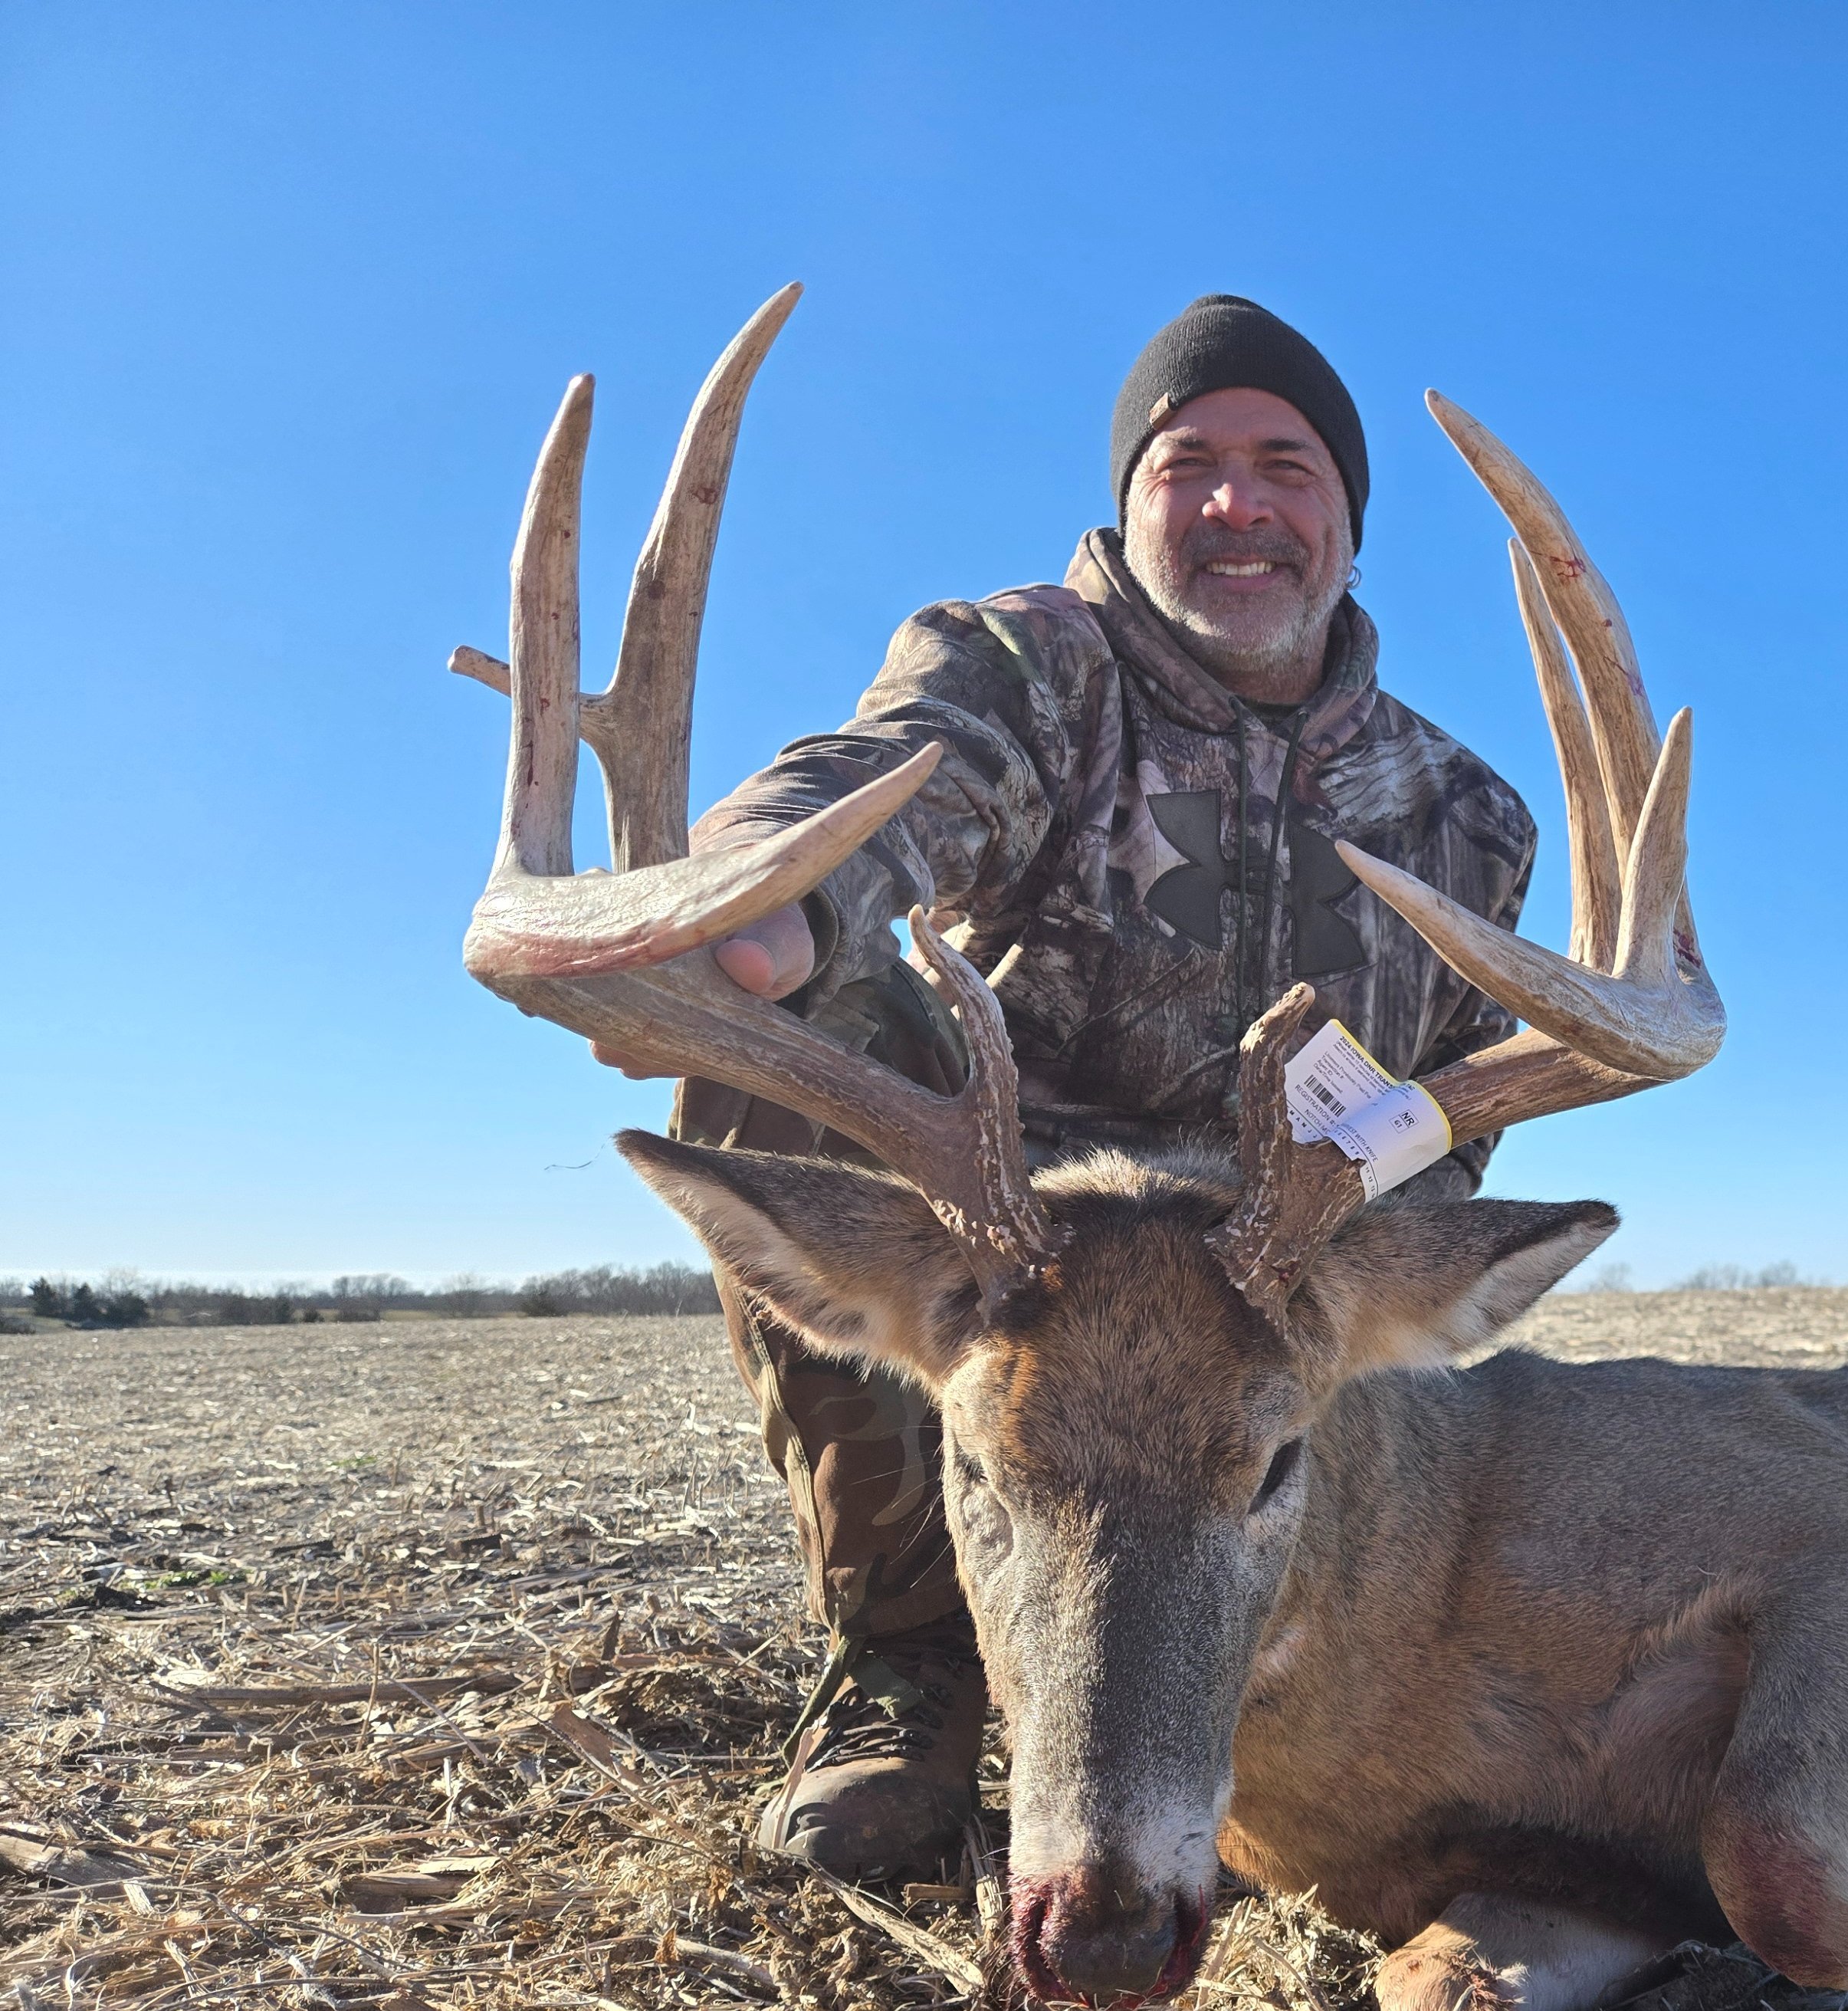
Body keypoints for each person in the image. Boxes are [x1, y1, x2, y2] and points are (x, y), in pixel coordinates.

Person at [612, 296, 1535, 1881]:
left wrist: (1338, 1252)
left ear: (1349, 525)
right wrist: (768, 902)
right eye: (1189, 463)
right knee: (773, 1059)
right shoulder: (1029, 668)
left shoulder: (1461, 814)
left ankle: (1292, 1647)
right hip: (1013, 1255)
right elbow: (891, 771)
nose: (1238, 501)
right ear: (1129, 503)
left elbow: (1457, 1114)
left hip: (1267, 1291)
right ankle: (908, 1661)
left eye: (1286, 465)